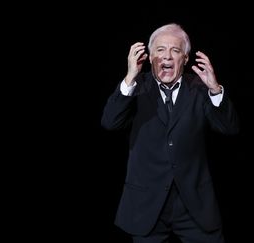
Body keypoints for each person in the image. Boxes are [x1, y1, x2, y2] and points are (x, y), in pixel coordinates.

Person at [101, 23, 239, 243]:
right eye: (160, 50)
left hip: (194, 205)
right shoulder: (137, 86)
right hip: (147, 204)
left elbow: (229, 128)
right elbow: (110, 122)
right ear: (149, 56)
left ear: (184, 59)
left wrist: (215, 89)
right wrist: (129, 78)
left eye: (175, 51)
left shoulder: (200, 88)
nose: (167, 56)